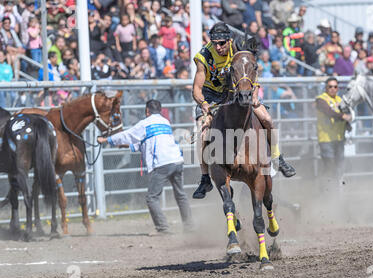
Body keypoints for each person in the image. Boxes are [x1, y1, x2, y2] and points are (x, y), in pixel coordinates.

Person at [191, 22, 296, 199]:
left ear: (229, 41)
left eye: (222, 43)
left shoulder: (238, 51)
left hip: (238, 93)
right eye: (215, 42)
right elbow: (196, 89)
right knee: (202, 134)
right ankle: (204, 178)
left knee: (267, 119)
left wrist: (254, 96)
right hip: (211, 97)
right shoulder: (203, 57)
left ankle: (278, 158)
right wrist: (203, 104)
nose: (218, 47)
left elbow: (253, 74)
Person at [97, 99, 195, 234]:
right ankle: (189, 226)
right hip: (177, 161)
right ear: (160, 110)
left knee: (151, 197)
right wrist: (127, 145)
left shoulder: (144, 124)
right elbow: (146, 141)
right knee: (180, 194)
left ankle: (162, 228)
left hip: (162, 163)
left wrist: (106, 140)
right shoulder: (165, 122)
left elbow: (127, 135)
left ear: (147, 111)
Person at [315, 77, 352, 186]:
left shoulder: (340, 100)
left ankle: (336, 191)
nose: (333, 89)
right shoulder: (320, 99)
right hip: (326, 139)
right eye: (330, 86)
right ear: (326, 88)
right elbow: (329, 112)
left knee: (339, 167)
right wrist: (343, 116)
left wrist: (348, 124)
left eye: (335, 87)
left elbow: (347, 115)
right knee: (329, 167)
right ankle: (324, 190)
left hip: (339, 138)